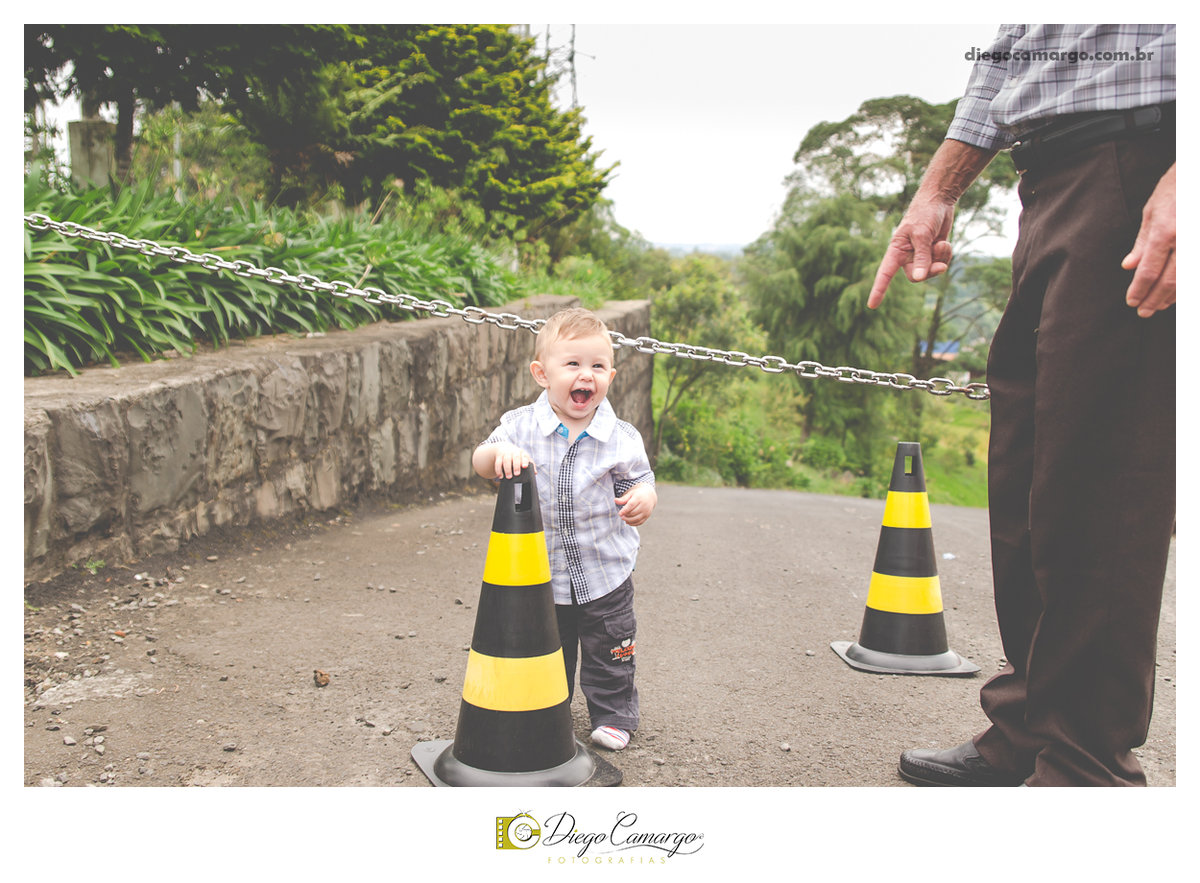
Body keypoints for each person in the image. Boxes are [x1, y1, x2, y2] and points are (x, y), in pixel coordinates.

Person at [868, 24, 1175, 786]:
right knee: (1028, 479)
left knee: (1098, 484)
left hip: (1145, 161)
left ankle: (1083, 764)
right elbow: (1011, 50)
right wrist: (938, 189)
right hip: (1045, 180)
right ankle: (1033, 725)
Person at [472, 307, 657, 752]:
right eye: (572, 363)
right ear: (542, 373)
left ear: (610, 376)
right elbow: (481, 459)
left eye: (598, 366)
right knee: (546, 649)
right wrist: (498, 457)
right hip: (543, 574)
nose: (586, 375)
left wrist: (644, 498)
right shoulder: (520, 427)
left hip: (604, 570)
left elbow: (640, 479)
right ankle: (547, 712)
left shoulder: (621, 437)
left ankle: (613, 714)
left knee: (610, 647)